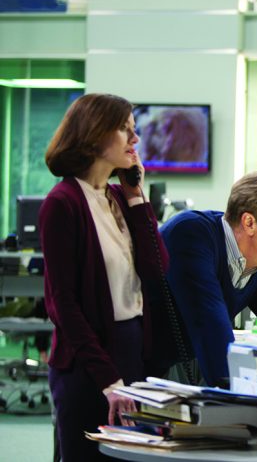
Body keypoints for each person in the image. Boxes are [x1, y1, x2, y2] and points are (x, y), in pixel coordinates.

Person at [40, 93, 167, 460]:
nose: (135, 139)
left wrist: (135, 196)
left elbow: (157, 269)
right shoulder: (63, 203)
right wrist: (108, 381)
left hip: (132, 356)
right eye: (125, 129)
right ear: (95, 135)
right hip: (87, 367)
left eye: (134, 129)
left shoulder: (116, 197)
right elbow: (62, 305)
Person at [160, 170, 257, 387]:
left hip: (194, 364)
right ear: (249, 223)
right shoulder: (190, 234)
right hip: (144, 373)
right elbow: (211, 331)